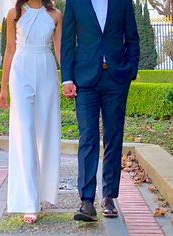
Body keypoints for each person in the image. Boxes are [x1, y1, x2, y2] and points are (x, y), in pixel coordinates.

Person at [61, 0, 140, 222]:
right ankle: (86, 201)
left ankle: (108, 197)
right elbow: (68, 41)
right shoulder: (75, 3)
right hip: (85, 80)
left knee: (113, 138)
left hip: (116, 79)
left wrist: (131, 70)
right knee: (88, 138)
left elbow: (132, 37)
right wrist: (66, 77)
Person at [0, 0, 62, 224]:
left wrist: (68, 80)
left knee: (46, 132)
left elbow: (59, 49)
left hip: (46, 70)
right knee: (24, 132)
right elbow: (9, 50)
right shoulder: (14, 14)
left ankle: (44, 193)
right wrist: (3, 87)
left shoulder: (55, 15)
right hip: (21, 70)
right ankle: (28, 201)